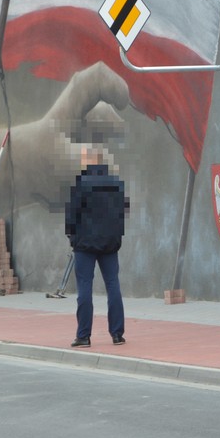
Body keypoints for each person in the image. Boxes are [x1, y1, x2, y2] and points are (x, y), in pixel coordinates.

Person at [65, 147, 128, 348]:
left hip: (84, 245)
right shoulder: (116, 184)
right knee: (113, 286)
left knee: (85, 288)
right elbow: (122, 214)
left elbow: (71, 217)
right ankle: (117, 334)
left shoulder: (80, 184)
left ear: (88, 162)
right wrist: (116, 238)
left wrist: (73, 239)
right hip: (109, 245)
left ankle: (84, 336)